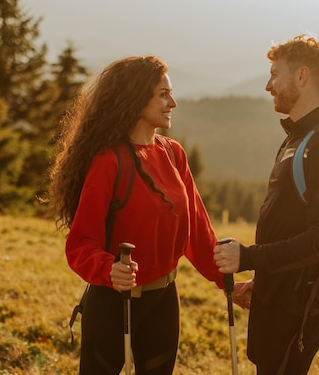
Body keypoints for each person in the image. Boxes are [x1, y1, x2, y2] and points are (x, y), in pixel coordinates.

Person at [48, 55, 224, 375]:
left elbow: (196, 229)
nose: (173, 102)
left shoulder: (173, 153)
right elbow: (81, 243)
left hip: (164, 300)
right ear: (136, 97)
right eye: (163, 94)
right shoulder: (109, 162)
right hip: (114, 302)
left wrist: (227, 283)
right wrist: (108, 268)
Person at [214, 34, 319, 375]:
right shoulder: (300, 137)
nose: (268, 85)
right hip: (283, 295)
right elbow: (292, 224)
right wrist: (264, 280)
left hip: (301, 305)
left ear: (302, 76)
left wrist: (249, 258)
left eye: (275, 73)